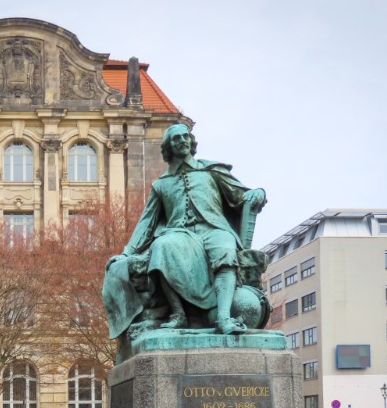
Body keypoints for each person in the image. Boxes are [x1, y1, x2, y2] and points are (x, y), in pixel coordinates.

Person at [104, 123, 266, 335]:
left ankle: (224, 318)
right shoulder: (161, 184)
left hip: (213, 228)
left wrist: (258, 192)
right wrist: (127, 253)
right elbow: (147, 222)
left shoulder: (211, 171)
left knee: (225, 249)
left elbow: (242, 195)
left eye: (185, 137)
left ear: (191, 142)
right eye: (176, 138)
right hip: (180, 233)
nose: (182, 140)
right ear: (168, 147)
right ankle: (178, 314)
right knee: (161, 246)